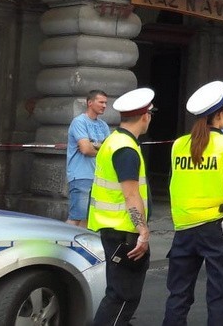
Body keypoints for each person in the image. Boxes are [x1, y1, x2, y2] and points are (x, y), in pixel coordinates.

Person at [163, 81, 223, 326]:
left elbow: (174, 180)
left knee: (178, 295)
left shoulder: (179, 144)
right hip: (217, 228)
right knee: (218, 297)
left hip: (184, 226)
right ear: (220, 114)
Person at [88, 87, 156, 326]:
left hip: (111, 229)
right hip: (124, 234)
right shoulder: (126, 148)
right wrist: (144, 232)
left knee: (118, 294)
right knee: (123, 298)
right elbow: (131, 194)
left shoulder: (113, 141)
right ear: (145, 116)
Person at [66, 90, 110, 227]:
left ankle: (80, 248)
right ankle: (60, 244)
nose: (104, 106)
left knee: (87, 219)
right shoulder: (79, 122)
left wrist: (93, 145)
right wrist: (98, 147)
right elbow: (85, 149)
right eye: (101, 102)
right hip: (81, 176)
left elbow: (109, 150)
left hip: (97, 177)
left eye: (105, 103)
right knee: (76, 218)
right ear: (90, 103)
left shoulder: (103, 125)